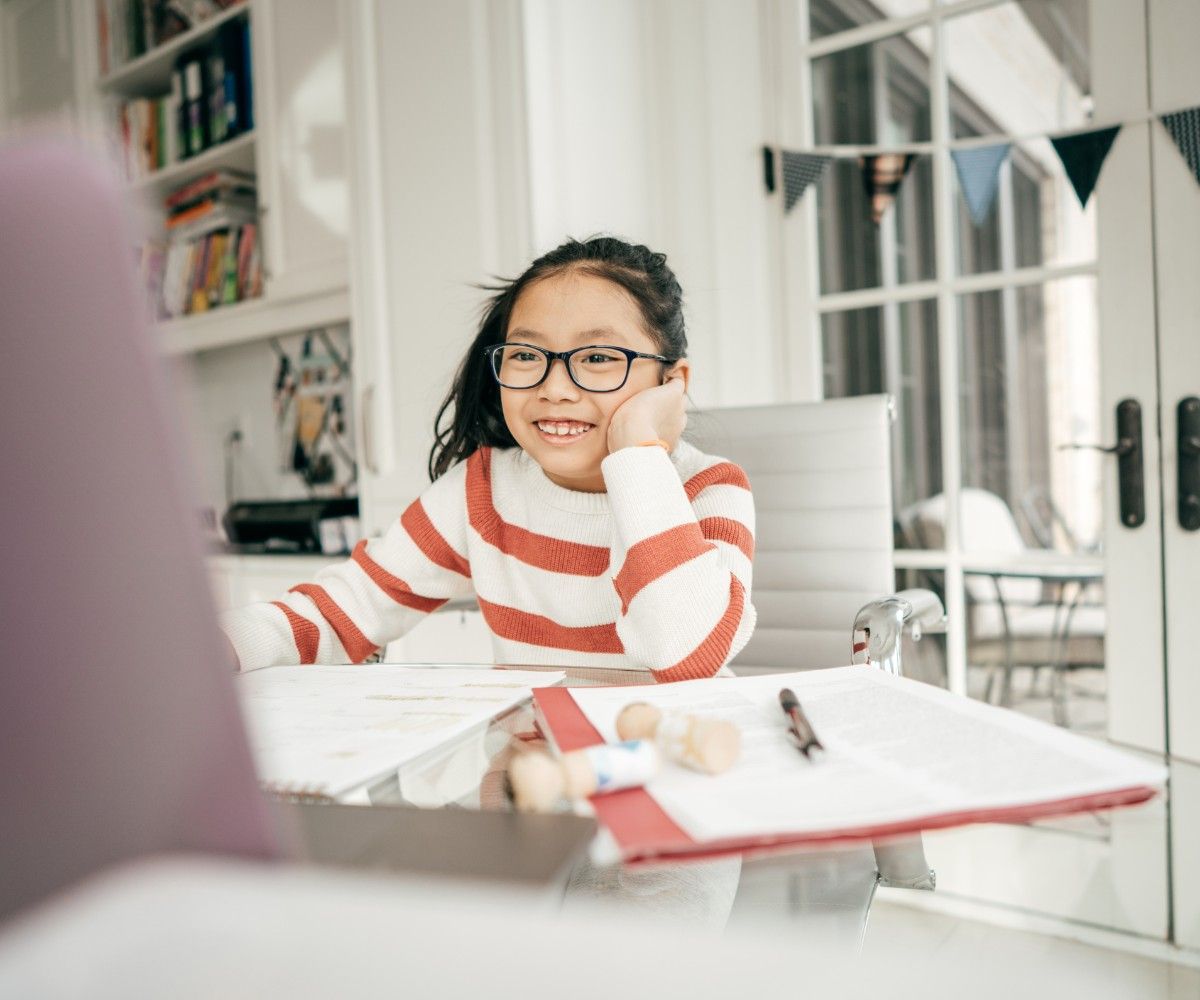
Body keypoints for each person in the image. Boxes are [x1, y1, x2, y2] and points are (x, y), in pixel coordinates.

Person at [223, 236, 756, 680]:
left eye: (597, 358)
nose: (555, 387)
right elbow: (344, 611)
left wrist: (638, 452)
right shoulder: (481, 491)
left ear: (670, 383)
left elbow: (686, 652)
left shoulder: (709, 489)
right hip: (530, 778)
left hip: (677, 777)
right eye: (527, 355)